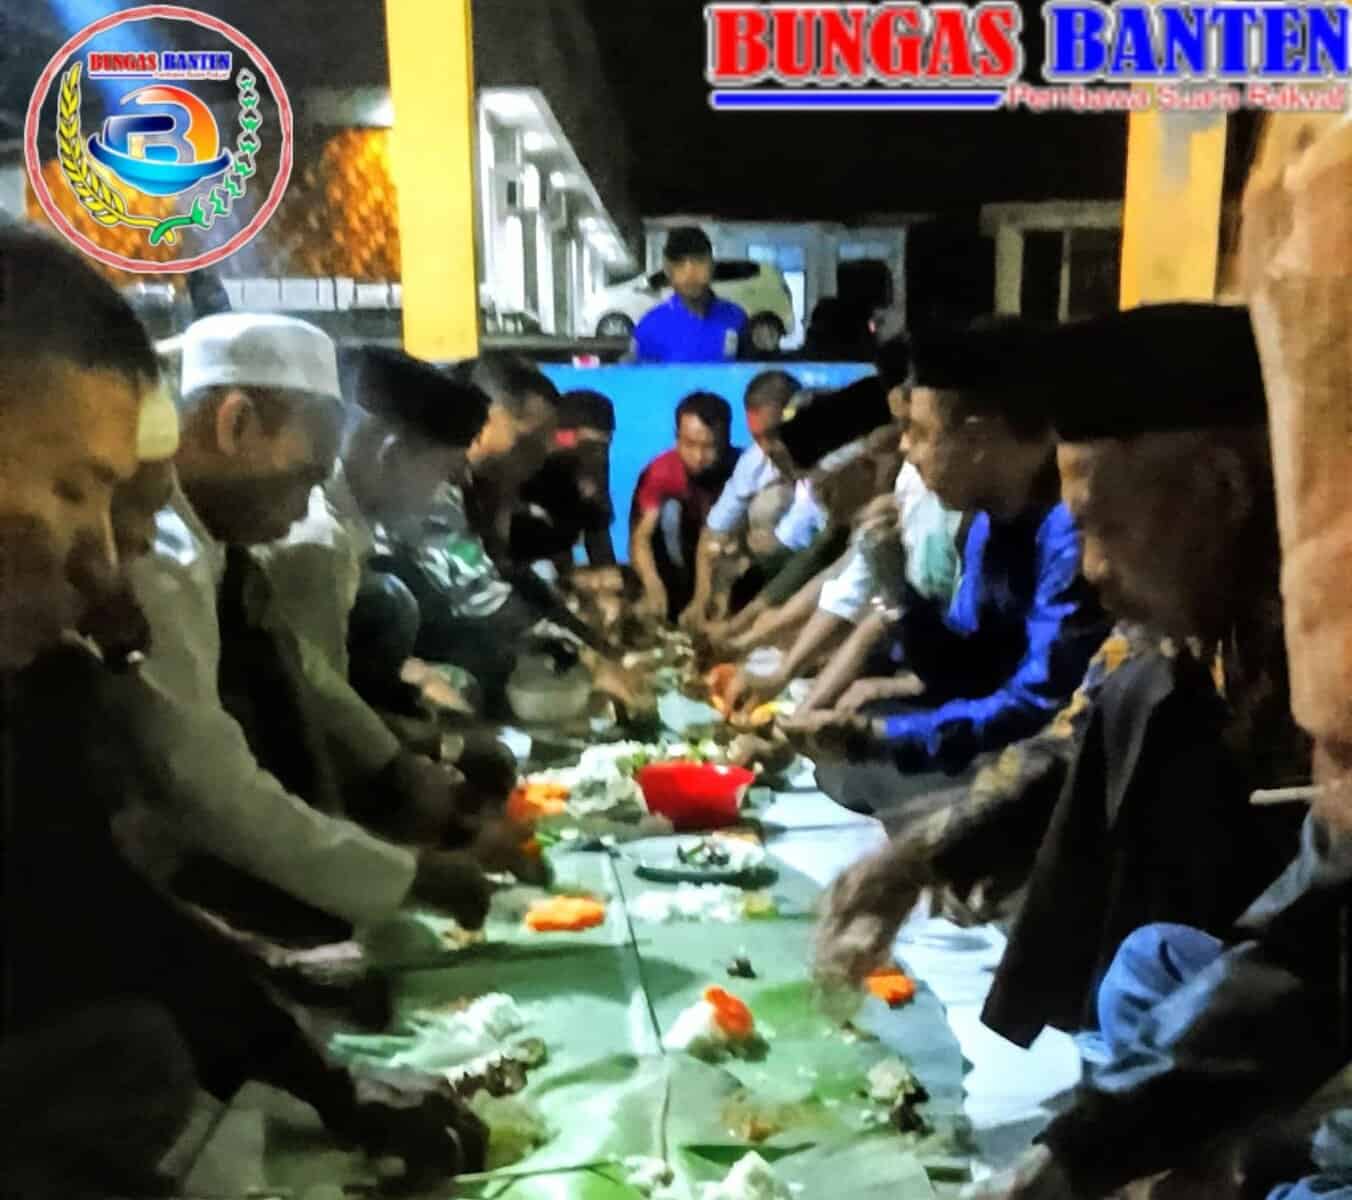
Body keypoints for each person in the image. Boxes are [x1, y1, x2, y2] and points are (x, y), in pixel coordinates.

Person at [966, 305, 1318, 1200]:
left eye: (1103, 526)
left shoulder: (1331, 621)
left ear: (1221, 490)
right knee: (1150, 968)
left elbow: (1327, 943)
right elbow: (1072, 732)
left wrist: (1079, 1154)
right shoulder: (1209, 626)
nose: (1089, 567)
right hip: (1310, 971)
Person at [118, 312, 502, 944]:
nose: (302, 511)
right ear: (236, 425)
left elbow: (305, 672)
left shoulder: (215, 546)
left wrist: (400, 766)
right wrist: (406, 875)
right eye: (304, 478)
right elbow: (207, 782)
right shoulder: (163, 554)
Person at [794, 321, 1108, 817]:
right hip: (996, 734)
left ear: (977, 438)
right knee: (853, 754)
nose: (904, 449)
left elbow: (1037, 704)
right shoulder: (986, 520)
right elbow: (965, 670)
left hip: (1059, 762)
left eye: (919, 433)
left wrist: (876, 738)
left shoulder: (1069, 527)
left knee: (880, 770)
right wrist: (899, 589)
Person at [681, 369, 801, 632]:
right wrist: (702, 599)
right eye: (758, 438)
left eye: (774, 435)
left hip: (824, 565)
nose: (768, 448)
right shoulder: (755, 462)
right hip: (779, 567)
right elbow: (713, 532)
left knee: (772, 502)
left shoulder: (836, 456)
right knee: (724, 548)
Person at [629, 389, 738, 621]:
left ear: (726, 441)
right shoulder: (661, 472)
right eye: (689, 444)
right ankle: (674, 598)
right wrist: (652, 585)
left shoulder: (742, 470)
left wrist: (703, 598)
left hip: (724, 553)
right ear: (676, 437)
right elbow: (641, 537)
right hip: (678, 552)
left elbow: (716, 537)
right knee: (669, 512)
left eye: (709, 446)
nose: (698, 457)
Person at [511, 388, 617, 569]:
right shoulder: (521, 464)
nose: (598, 455)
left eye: (604, 445)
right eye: (590, 445)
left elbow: (598, 534)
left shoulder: (594, 462)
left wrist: (609, 577)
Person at [632, 226, 747, 364]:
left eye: (699, 261)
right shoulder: (649, 328)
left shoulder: (736, 318)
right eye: (679, 264)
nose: (690, 273)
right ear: (668, 270)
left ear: (712, 266)